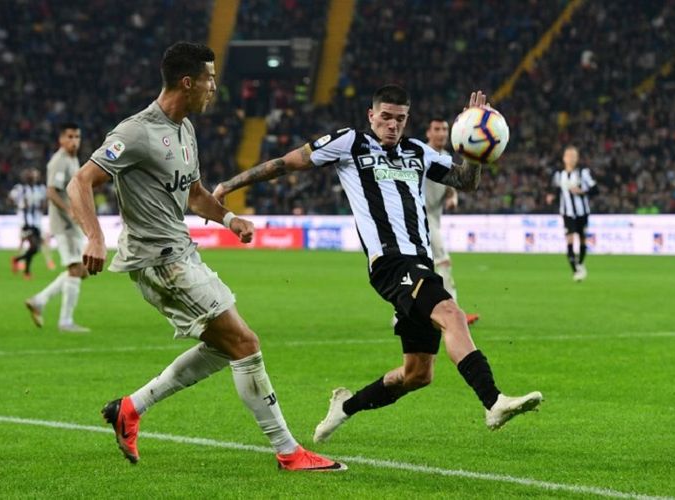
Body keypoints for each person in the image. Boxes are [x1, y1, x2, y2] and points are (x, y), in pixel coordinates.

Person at [66, 41, 345, 472]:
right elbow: (80, 181)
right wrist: (94, 237)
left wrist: (229, 218)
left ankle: (130, 408)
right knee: (246, 343)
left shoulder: (185, 130)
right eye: (210, 79)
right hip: (160, 261)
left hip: (182, 252)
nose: (215, 87)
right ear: (187, 82)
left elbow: (194, 195)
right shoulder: (135, 132)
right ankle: (290, 452)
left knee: (225, 348)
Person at [214, 85, 542, 443]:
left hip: (419, 264)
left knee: (418, 374)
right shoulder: (350, 143)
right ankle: (493, 401)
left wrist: (474, 151)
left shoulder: (419, 152)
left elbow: (465, 182)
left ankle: (346, 406)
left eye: (400, 119)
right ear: (371, 116)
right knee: (452, 313)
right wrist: (231, 184)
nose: (392, 125)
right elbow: (287, 162)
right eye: (385, 117)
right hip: (389, 263)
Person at [25, 123, 90, 332]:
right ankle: (65, 321)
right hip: (65, 225)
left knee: (83, 270)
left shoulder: (72, 159)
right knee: (76, 269)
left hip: (74, 223)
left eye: (77, 137)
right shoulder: (59, 161)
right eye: (70, 137)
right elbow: (51, 192)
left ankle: (39, 300)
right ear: (61, 139)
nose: (74, 141)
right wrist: (70, 211)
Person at [423, 117, 479, 325]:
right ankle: (455, 312)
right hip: (421, 218)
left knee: (421, 267)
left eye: (444, 129)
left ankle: (403, 314)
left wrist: (453, 198)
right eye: (436, 129)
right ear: (428, 133)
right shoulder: (421, 154)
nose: (441, 133)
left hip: (434, 219)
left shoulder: (446, 157)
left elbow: (450, 188)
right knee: (443, 261)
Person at [546, 145, 598, 281]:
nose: (571, 158)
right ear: (564, 158)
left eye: (574, 156)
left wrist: (583, 191)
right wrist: (551, 196)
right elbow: (554, 190)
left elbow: (595, 189)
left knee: (582, 239)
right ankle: (575, 271)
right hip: (567, 213)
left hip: (583, 213)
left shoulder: (584, 173)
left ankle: (580, 263)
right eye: (569, 155)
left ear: (577, 158)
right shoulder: (558, 175)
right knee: (569, 239)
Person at [9, 168, 46, 280]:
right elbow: (10, 199)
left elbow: (44, 202)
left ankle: (17, 260)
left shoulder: (40, 189)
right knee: (33, 246)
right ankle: (26, 272)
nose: (33, 177)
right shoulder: (20, 189)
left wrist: (43, 206)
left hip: (37, 221)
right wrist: (19, 206)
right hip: (25, 221)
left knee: (35, 248)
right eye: (31, 176)